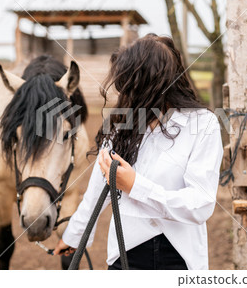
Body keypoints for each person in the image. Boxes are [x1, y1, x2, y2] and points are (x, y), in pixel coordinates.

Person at [53, 34, 223, 270]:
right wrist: (74, 235)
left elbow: (200, 204)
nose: (125, 94)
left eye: (131, 85)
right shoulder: (123, 123)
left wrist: (135, 186)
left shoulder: (204, 124)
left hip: (179, 257)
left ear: (152, 84)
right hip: (126, 253)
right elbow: (96, 189)